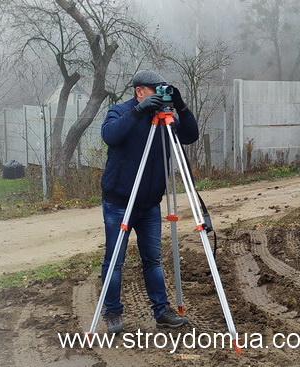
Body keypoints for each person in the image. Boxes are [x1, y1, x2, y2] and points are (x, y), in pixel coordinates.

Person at [98, 70, 198, 333]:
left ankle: (162, 311)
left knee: (153, 260)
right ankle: (112, 313)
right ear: (139, 91)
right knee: (115, 261)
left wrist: (182, 107)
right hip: (119, 202)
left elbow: (190, 136)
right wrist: (138, 112)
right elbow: (110, 135)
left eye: (164, 89)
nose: (160, 95)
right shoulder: (120, 112)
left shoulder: (164, 119)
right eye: (157, 90)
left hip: (150, 203)